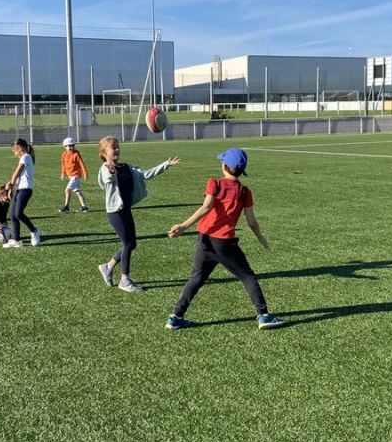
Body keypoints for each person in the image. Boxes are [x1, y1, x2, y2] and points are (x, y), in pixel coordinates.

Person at [166, 147, 284, 330]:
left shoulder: (214, 183)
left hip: (205, 240)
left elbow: (206, 207)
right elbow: (252, 222)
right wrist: (260, 237)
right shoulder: (244, 192)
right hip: (225, 244)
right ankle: (264, 315)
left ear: (225, 166)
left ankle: (175, 317)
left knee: (196, 279)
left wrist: (183, 226)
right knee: (247, 276)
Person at [96, 135, 180, 293]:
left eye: (118, 146)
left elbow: (146, 174)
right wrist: (111, 171)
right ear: (104, 152)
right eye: (113, 147)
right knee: (128, 244)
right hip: (115, 213)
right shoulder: (105, 169)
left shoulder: (127, 167)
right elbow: (106, 180)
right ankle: (125, 280)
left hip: (126, 210)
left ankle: (108, 267)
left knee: (132, 244)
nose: (117, 149)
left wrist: (166, 164)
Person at [4, 138, 40, 248]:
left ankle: (34, 231)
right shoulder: (24, 157)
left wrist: (10, 184)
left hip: (26, 189)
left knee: (18, 214)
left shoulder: (26, 157)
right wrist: (11, 186)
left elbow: (16, 173)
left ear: (19, 148)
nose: (14, 154)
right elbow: (19, 176)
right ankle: (17, 240)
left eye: (14, 151)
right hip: (20, 189)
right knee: (13, 215)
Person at [60, 136, 89, 212]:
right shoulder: (64, 154)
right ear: (65, 147)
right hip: (70, 176)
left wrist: (85, 174)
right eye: (69, 146)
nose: (71, 147)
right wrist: (63, 173)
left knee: (67, 190)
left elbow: (81, 164)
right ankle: (84, 207)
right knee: (77, 192)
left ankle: (66, 206)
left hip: (75, 176)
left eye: (72, 146)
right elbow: (63, 164)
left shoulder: (76, 154)